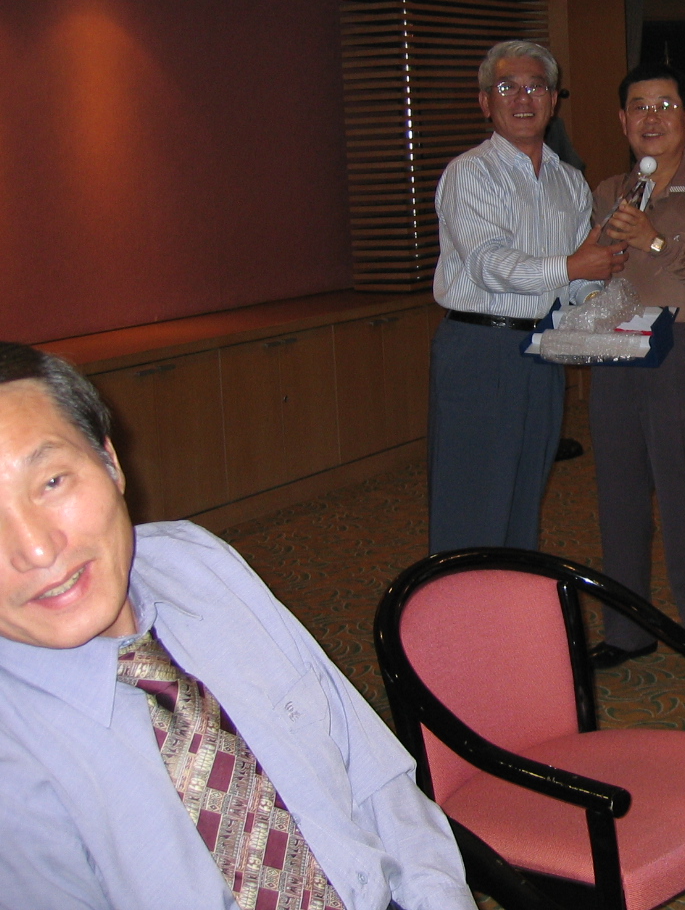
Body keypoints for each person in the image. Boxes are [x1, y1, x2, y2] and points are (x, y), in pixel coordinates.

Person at [0, 343, 474, 910]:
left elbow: (375, 776)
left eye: (52, 482)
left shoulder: (194, 562)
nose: (36, 549)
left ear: (110, 462)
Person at [429, 40, 626, 555]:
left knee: (523, 497)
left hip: (543, 350)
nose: (523, 98)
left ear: (553, 100)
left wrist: (602, 286)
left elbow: (574, 281)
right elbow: (489, 265)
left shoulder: (569, 181)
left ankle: (511, 601)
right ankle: (462, 605)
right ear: (485, 102)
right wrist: (575, 266)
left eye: (536, 87)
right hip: (480, 350)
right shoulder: (470, 172)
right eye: (507, 87)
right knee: (472, 501)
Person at [585, 64, 685, 678]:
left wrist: (654, 241)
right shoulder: (609, 189)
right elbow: (593, 269)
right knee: (619, 500)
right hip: (616, 351)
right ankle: (627, 630)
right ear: (623, 121)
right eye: (639, 107)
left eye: (664, 106)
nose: (651, 118)